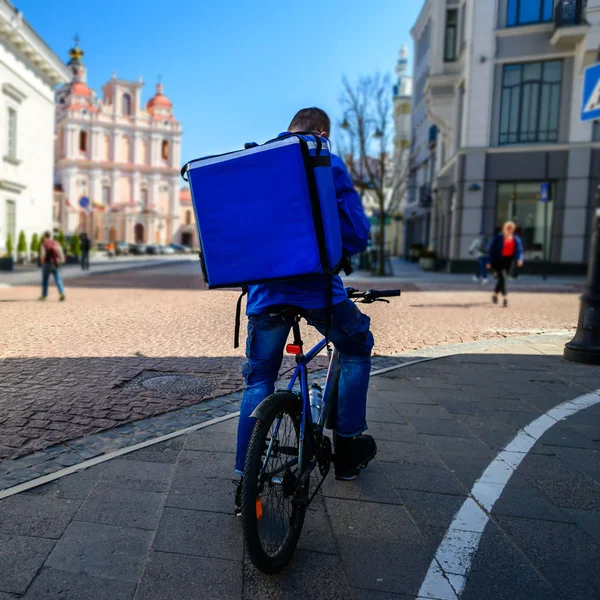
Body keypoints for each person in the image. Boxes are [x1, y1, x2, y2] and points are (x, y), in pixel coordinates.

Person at [234, 108, 375, 512]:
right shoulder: (324, 158)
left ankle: (245, 484)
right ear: (322, 132)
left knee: (259, 380)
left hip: (264, 293)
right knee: (355, 348)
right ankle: (347, 449)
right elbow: (356, 231)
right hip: (318, 291)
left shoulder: (258, 162)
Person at [487, 221, 524, 308]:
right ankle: (505, 298)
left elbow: (520, 250)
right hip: (499, 260)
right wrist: (489, 262)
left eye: (511, 229)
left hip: (509, 261)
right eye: (508, 228)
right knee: (503, 278)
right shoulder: (498, 237)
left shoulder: (515, 239)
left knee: (502, 279)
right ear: (504, 229)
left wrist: (520, 259)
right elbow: (491, 250)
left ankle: (495, 294)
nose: (509, 230)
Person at [39, 231, 66, 301]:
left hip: (47, 264)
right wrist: (59, 261)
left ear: (44, 236)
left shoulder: (44, 244)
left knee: (45, 280)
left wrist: (42, 263)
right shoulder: (56, 243)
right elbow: (61, 255)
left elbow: (42, 255)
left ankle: (44, 295)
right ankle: (62, 293)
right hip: (55, 263)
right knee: (58, 279)